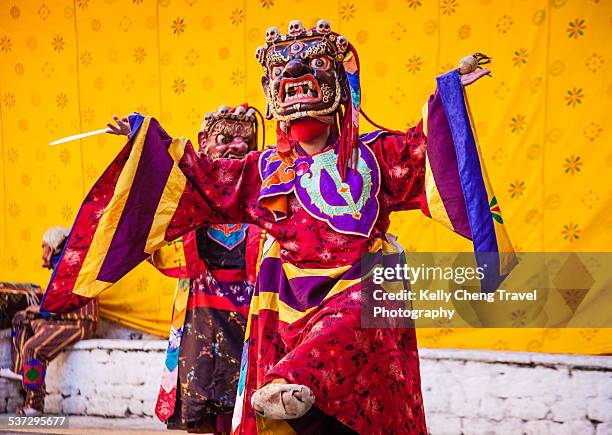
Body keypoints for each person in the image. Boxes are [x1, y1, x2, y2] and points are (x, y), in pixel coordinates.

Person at [42, 19, 514, 434]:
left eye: (312, 71)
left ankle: (295, 379)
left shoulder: (375, 153)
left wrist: (449, 92)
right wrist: (149, 137)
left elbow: (425, 153)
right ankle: (291, 387)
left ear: (339, 89)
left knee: (360, 306)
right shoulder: (261, 169)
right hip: (287, 297)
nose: (295, 79)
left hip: (361, 285)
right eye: (284, 75)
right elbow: (201, 179)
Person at [108, 104, 264, 434]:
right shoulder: (191, 189)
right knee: (202, 393)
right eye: (224, 138)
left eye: (243, 142)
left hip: (249, 309)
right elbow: (160, 171)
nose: (233, 147)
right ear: (204, 141)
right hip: (201, 307)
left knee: (246, 402)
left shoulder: (260, 189)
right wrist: (138, 141)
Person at [11, 227, 98, 416]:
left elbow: (66, 302)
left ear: (52, 248)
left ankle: (34, 404)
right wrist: (37, 312)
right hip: (61, 319)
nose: (42, 253)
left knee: (32, 349)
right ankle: (22, 372)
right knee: (21, 319)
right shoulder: (62, 267)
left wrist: (41, 310)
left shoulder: (73, 266)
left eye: (44, 247)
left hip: (78, 322)